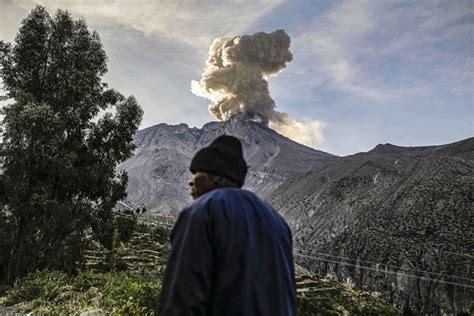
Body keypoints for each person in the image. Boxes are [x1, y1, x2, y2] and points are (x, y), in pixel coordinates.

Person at [158, 135, 296, 316]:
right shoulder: (277, 222)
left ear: (214, 178)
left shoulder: (202, 211)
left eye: (196, 173)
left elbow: (183, 298)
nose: (191, 181)